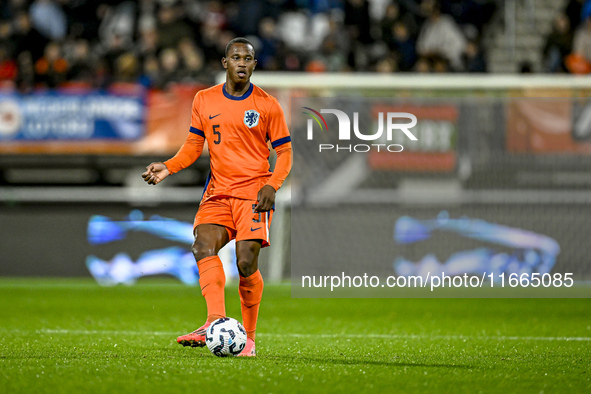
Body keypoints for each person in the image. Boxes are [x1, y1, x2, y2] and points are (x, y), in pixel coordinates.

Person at [142, 37, 292, 357]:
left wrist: (272, 185)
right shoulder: (204, 99)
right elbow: (195, 146)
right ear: (225, 63)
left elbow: (286, 152)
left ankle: (248, 340)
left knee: (245, 262)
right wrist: (168, 167)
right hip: (219, 193)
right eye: (235, 57)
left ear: (254, 65)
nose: (241, 63)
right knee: (202, 246)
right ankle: (214, 322)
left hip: (254, 194)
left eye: (247, 59)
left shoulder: (267, 105)